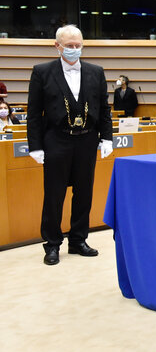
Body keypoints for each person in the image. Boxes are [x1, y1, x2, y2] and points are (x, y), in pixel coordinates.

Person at [26, 24, 113, 266]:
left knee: (84, 192)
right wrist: (35, 146)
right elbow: (33, 113)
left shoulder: (96, 72)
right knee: (54, 195)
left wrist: (107, 137)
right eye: (70, 46)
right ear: (57, 46)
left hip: (87, 139)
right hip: (56, 139)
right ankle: (52, 244)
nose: (75, 50)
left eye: (78, 46)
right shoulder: (42, 72)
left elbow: (104, 109)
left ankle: (78, 240)